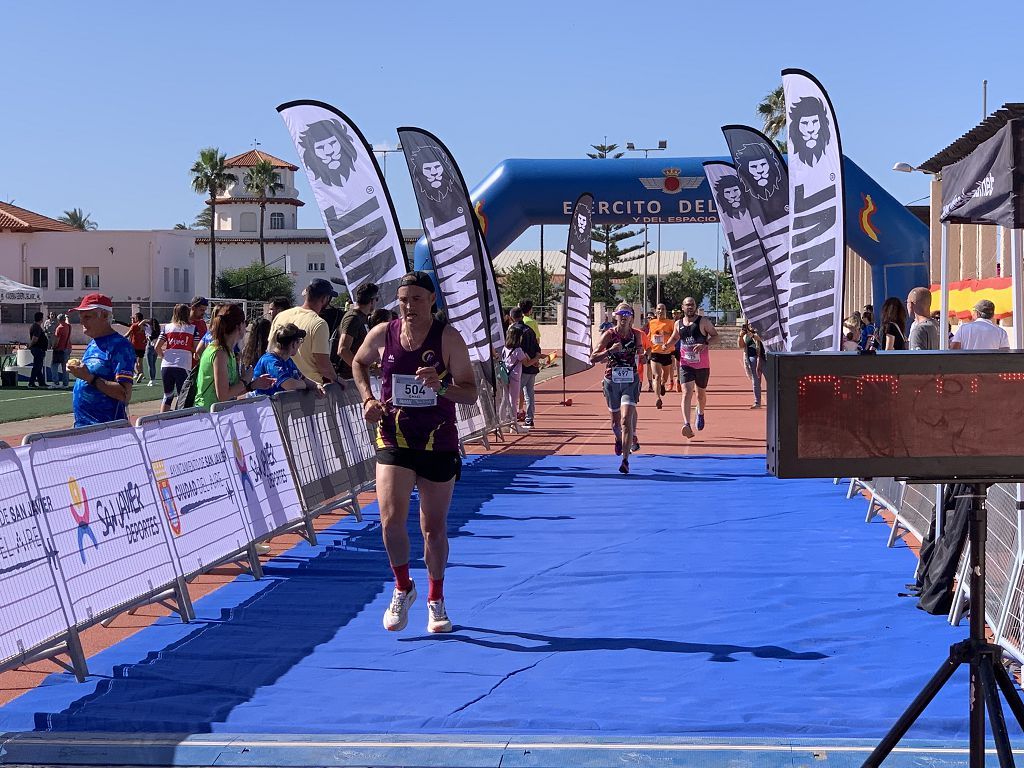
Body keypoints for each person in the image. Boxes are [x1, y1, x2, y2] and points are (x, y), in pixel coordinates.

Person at [352, 271, 478, 634]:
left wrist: (442, 386)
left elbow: (469, 391)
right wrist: (368, 398)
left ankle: (436, 599)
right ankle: (403, 586)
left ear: (432, 301)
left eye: (417, 299)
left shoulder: (448, 338)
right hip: (394, 438)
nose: (409, 306)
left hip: (438, 441)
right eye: (403, 300)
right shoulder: (383, 333)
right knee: (390, 520)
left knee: (432, 529)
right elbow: (359, 362)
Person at [591, 303, 645, 475]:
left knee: (625, 420)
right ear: (615, 316)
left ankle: (625, 460)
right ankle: (618, 438)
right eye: (620, 313)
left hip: (630, 380)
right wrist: (610, 351)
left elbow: (642, 355)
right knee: (615, 423)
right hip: (612, 381)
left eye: (627, 313)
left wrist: (644, 356)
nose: (623, 316)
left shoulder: (636, 335)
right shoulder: (609, 335)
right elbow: (593, 358)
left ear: (631, 318)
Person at [66, 294, 136, 427]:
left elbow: (124, 394)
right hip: (83, 427)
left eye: (87, 317)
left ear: (104, 316)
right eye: (81, 317)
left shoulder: (120, 346)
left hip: (107, 430)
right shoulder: (93, 343)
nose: (81, 322)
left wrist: (90, 378)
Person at [194, 303, 275, 410]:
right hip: (208, 415)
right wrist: (246, 380)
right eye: (244, 323)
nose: (246, 327)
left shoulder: (229, 351)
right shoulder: (219, 353)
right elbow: (223, 396)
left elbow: (232, 391)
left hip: (220, 414)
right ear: (238, 326)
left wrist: (254, 385)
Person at [269, 279, 339, 385]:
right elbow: (323, 366)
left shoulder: (281, 316)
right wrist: (337, 379)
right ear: (325, 299)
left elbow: (271, 349)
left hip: (282, 384)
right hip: (312, 388)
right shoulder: (318, 323)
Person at [668, 296, 718, 438]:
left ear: (695, 307)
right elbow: (675, 337)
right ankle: (686, 424)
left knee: (700, 395)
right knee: (686, 391)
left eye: (692, 305)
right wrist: (667, 345)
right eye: (687, 305)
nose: (690, 307)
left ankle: (700, 413)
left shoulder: (703, 321)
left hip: (702, 365)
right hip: (685, 364)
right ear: (682, 307)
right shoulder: (678, 323)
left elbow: (716, 336)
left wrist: (705, 344)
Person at [252, 323, 327, 397]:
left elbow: (301, 378)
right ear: (293, 344)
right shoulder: (270, 361)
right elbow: (289, 384)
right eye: (299, 341)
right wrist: (305, 385)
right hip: (265, 407)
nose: (300, 345)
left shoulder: (287, 360)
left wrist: (316, 386)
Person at [154, 303, 198, 413]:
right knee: (181, 395)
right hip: (183, 365)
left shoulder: (167, 328)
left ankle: (162, 421)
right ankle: (179, 421)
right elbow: (196, 349)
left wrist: (163, 357)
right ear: (187, 314)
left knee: (167, 395)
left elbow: (157, 347)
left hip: (166, 365)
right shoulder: (192, 329)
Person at [337, 282, 379, 379]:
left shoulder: (362, 317)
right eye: (376, 299)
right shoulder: (353, 318)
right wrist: (360, 369)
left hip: (355, 376)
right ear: (371, 301)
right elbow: (342, 349)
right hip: (348, 378)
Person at [509, 306, 542, 428]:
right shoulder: (529, 330)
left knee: (512, 395)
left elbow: (518, 349)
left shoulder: (513, 331)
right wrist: (536, 358)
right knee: (529, 394)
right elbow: (536, 347)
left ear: (511, 317)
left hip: (520, 368)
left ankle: (511, 420)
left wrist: (529, 360)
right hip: (531, 367)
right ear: (522, 316)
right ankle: (529, 419)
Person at [498, 325, 531, 433]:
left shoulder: (505, 348)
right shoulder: (518, 350)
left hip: (504, 375)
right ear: (517, 337)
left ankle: (503, 423)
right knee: (513, 401)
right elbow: (527, 363)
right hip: (515, 377)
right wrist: (536, 358)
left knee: (504, 399)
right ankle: (514, 425)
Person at [646, 303, 675, 410]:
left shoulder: (670, 323)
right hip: (655, 352)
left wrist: (665, 335)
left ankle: (663, 384)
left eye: (663, 309)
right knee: (657, 376)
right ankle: (658, 398)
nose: (660, 311)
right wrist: (647, 344)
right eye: (659, 309)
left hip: (666, 353)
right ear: (655, 311)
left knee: (665, 376)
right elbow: (649, 335)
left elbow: (674, 335)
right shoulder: (652, 322)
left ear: (665, 311)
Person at [738, 323, 765, 408]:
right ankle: (757, 402)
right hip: (750, 357)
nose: (749, 325)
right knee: (755, 379)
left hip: (763, 356)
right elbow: (741, 345)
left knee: (771, 379)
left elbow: (761, 338)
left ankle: (775, 400)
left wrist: (751, 334)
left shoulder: (760, 330)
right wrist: (740, 336)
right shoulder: (746, 334)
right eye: (748, 324)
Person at [49, 313, 71, 390]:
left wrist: (53, 346)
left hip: (59, 349)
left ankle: (55, 382)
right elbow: (68, 322)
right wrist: (67, 317)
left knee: (54, 366)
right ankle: (65, 383)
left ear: (58, 320)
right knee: (65, 367)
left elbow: (56, 340)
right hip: (67, 348)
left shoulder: (59, 328)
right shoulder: (68, 326)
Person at [27, 311, 48, 388]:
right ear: (41, 319)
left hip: (38, 349)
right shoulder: (36, 327)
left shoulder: (35, 326)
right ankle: (31, 382)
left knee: (38, 366)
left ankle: (41, 382)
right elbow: (35, 339)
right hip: (38, 349)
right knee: (37, 366)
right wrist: (30, 345)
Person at [188, 296, 209, 363]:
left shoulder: (202, 323)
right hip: (186, 364)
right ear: (193, 308)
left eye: (205, 310)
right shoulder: (184, 324)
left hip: (200, 364)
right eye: (201, 310)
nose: (203, 313)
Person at [144, 317, 160, 386]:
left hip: (150, 346)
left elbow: (139, 325)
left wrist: (145, 320)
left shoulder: (148, 328)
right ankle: (153, 379)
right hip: (155, 347)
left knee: (150, 365)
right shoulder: (157, 329)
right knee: (153, 364)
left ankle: (151, 380)